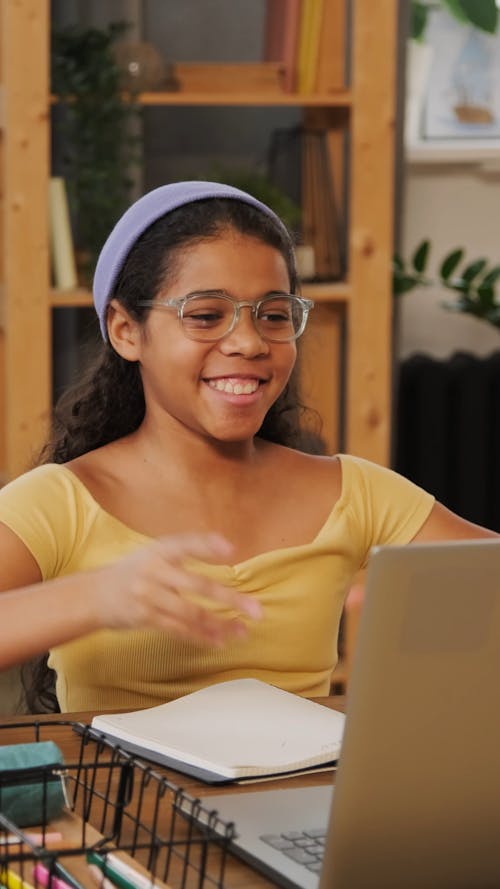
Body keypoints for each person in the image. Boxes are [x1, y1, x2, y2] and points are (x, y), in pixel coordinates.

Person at [0, 180, 496, 713]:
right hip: (128, 798)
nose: (249, 342)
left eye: (274, 315)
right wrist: (95, 597)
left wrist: (427, 600)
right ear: (126, 330)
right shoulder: (62, 500)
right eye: (207, 315)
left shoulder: (358, 492)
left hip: (308, 796)